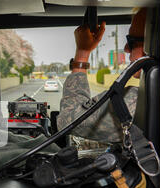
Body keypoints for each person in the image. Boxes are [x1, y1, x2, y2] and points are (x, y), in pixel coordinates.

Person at [57, 8, 147, 143]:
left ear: (158, 44)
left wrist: (82, 53)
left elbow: (67, 122)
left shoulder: (137, 102)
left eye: (132, 41)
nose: (126, 48)